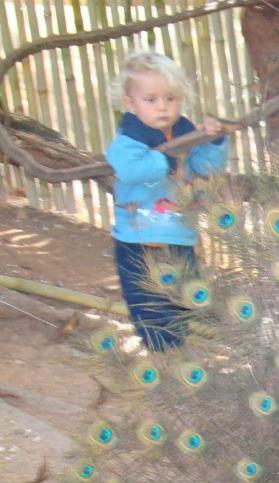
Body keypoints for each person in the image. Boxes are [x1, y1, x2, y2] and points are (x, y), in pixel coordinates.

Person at [105, 50, 228, 350]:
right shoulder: (129, 139)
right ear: (130, 104)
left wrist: (213, 140)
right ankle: (161, 355)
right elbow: (131, 170)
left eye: (170, 98)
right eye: (151, 99)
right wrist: (170, 161)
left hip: (178, 238)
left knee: (181, 301)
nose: (162, 106)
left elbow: (205, 166)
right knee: (148, 306)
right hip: (138, 241)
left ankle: (177, 352)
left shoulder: (184, 132)